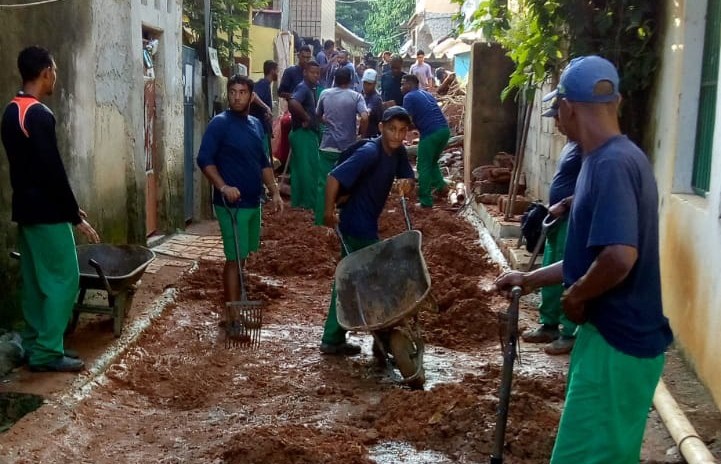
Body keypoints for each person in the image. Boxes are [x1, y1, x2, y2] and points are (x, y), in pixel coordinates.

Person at [494, 56, 673, 463]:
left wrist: (574, 297)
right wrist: (529, 278)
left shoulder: (608, 164)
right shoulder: (615, 157)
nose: (557, 121)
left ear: (569, 108)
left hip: (617, 344)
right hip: (613, 340)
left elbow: (619, 257)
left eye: (557, 111)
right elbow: (592, 257)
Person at [1, 46, 100, 373]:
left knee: (34, 279)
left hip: (26, 211)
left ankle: (32, 342)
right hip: (47, 212)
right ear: (45, 72)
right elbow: (52, 170)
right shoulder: (39, 114)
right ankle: (47, 351)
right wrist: (73, 214)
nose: (55, 76)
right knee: (64, 279)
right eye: (54, 71)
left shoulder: (10, 112)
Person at [319, 106, 416, 355]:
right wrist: (329, 212)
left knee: (350, 278)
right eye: (392, 129)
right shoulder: (369, 152)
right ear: (381, 128)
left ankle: (334, 337)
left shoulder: (397, 152)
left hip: (368, 221)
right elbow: (333, 178)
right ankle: (382, 340)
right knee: (375, 279)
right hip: (355, 222)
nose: (397, 135)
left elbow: (407, 177)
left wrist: (407, 184)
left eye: (402, 130)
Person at [197, 75, 283, 316]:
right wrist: (223, 187)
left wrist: (275, 192)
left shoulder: (256, 125)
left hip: (252, 202)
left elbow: (263, 162)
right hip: (230, 204)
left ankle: (235, 304)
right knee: (234, 258)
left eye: (242, 92)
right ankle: (233, 315)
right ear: (228, 94)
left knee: (243, 255)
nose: (237, 96)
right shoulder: (220, 124)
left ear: (251, 95)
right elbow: (204, 159)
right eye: (233, 91)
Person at [521, 98, 582, 355]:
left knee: (568, 272)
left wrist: (566, 203)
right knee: (549, 268)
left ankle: (569, 331)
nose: (556, 123)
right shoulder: (571, 145)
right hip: (557, 217)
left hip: (573, 218)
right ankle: (549, 324)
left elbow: (592, 190)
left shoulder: (588, 149)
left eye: (558, 117)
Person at [314, 67, 368, 225]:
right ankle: (345, 220)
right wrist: (361, 135)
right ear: (350, 80)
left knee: (323, 185)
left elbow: (318, 115)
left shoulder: (324, 94)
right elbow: (365, 117)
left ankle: (320, 222)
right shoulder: (356, 96)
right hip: (347, 149)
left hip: (327, 147)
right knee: (348, 185)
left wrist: (326, 122)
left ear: (335, 79)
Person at [401, 74, 450, 208]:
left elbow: (407, 121)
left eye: (403, 84)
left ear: (410, 84)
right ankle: (441, 187)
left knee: (423, 166)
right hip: (444, 131)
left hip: (431, 133)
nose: (401, 87)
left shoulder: (408, 97)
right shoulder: (426, 94)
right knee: (432, 162)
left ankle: (425, 201)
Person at [287, 60, 323, 210]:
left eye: (317, 73)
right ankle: (308, 205)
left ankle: (299, 203)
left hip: (300, 134)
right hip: (304, 134)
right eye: (312, 72)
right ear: (305, 73)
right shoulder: (303, 88)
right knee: (309, 170)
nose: (315, 76)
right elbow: (293, 102)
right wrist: (306, 118)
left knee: (299, 169)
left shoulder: (310, 88)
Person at [361, 69, 383, 139]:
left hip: (372, 136)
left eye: (369, 84)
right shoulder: (363, 94)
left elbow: (367, 114)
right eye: (365, 83)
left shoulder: (376, 98)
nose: (366, 86)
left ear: (375, 84)